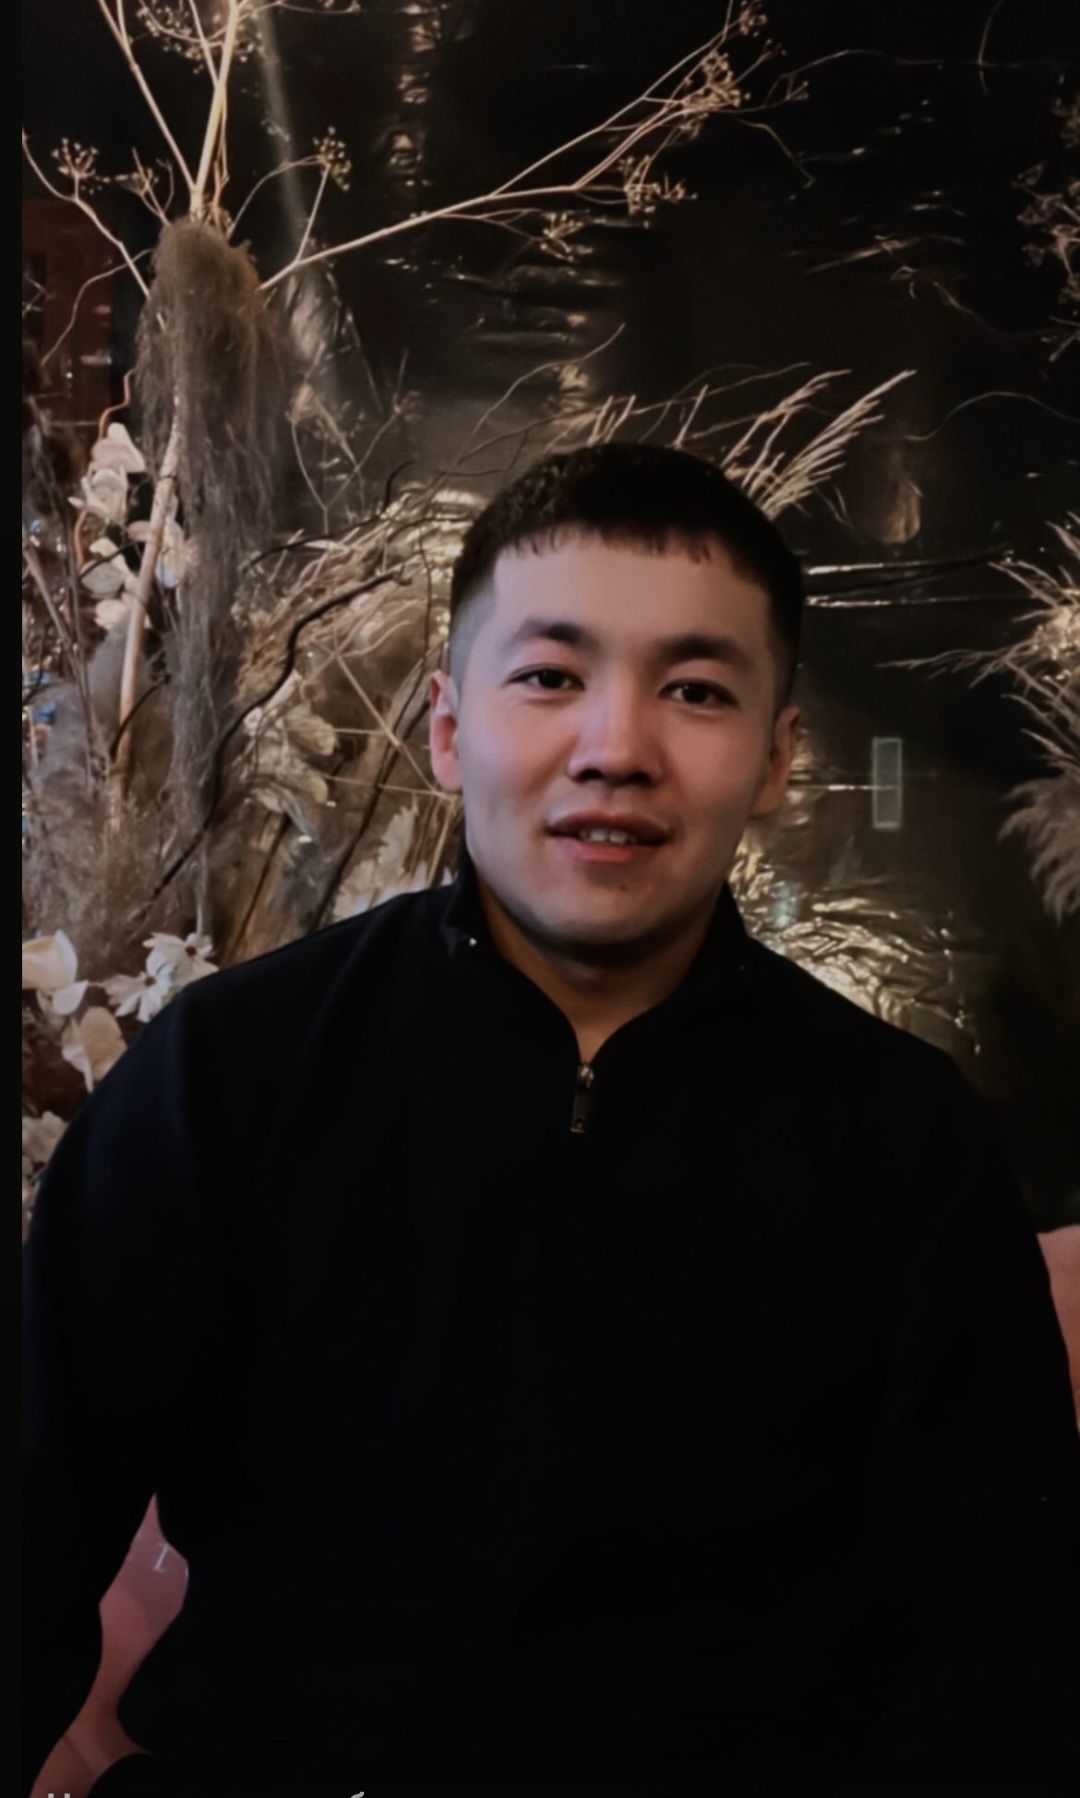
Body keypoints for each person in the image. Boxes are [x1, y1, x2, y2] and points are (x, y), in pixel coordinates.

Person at [23, 442, 1080, 1798]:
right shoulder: (226, 1077)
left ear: (776, 757)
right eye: (550, 676)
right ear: (448, 727)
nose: (616, 749)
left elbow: (1001, 1655)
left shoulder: (907, 1143)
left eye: (696, 690)